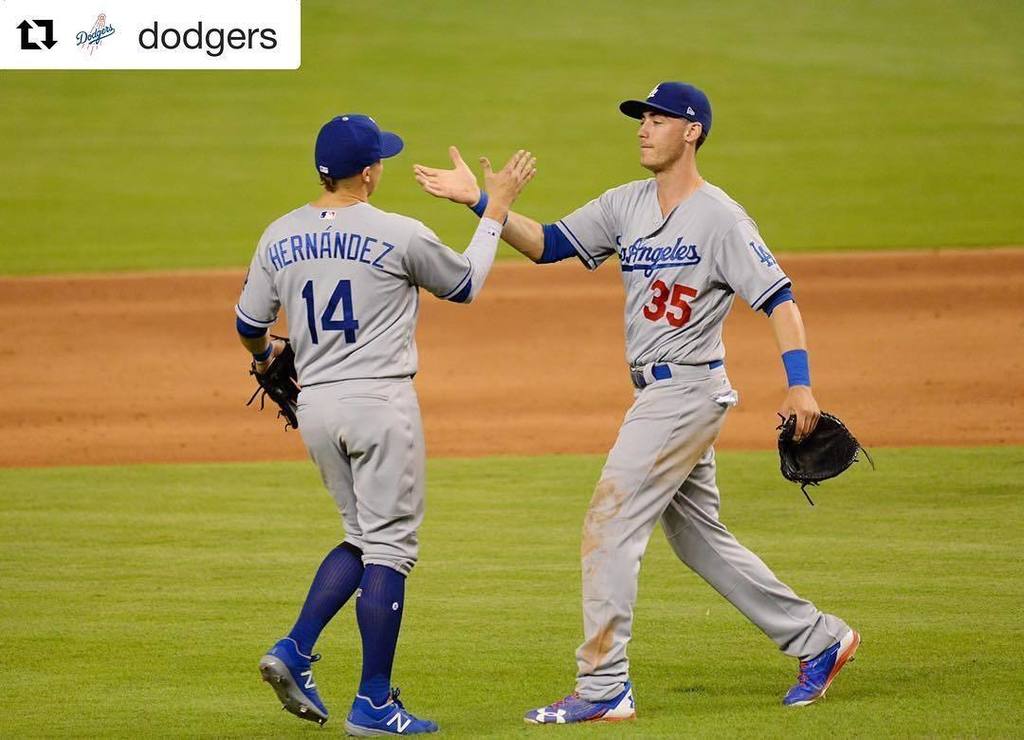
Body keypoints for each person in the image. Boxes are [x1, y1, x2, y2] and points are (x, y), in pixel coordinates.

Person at [414, 82, 859, 724]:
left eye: (659, 118)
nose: (644, 127)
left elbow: (779, 298)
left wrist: (800, 384)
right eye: (641, 118)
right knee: (698, 540)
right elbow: (548, 244)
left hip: (686, 391)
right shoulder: (625, 204)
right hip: (656, 392)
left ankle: (603, 687)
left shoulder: (721, 218)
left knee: (609, 525)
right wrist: (484, 204)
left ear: (692, 131)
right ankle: (819, 639)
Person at [235, 113, 535, 735]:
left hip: (316, 408)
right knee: (391, 548)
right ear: (369, 173)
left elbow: (249, 325)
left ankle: (295, 647)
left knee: (361, 535)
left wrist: (265, 360)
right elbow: (465, 285)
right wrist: (496, 210)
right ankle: (373, 702)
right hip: (378, 404)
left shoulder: (278, 235)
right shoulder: (398, 232)